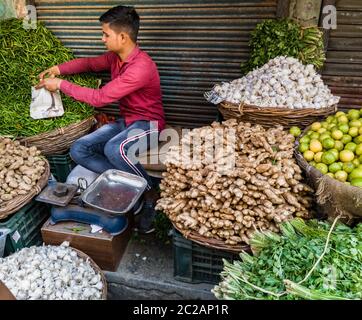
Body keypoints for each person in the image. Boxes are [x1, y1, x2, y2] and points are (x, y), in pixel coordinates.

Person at [36, 5, 165, 234]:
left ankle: (149, 193)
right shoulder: (116, 58)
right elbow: (89, 64)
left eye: (106, 34)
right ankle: (126, 187)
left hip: (149, 124)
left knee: (115, 149)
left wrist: (61, 85)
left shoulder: (141, 67)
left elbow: (100, 98)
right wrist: (58, 69)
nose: (102, 38)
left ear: (123, 37)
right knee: (79, 149)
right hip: (126, 121)